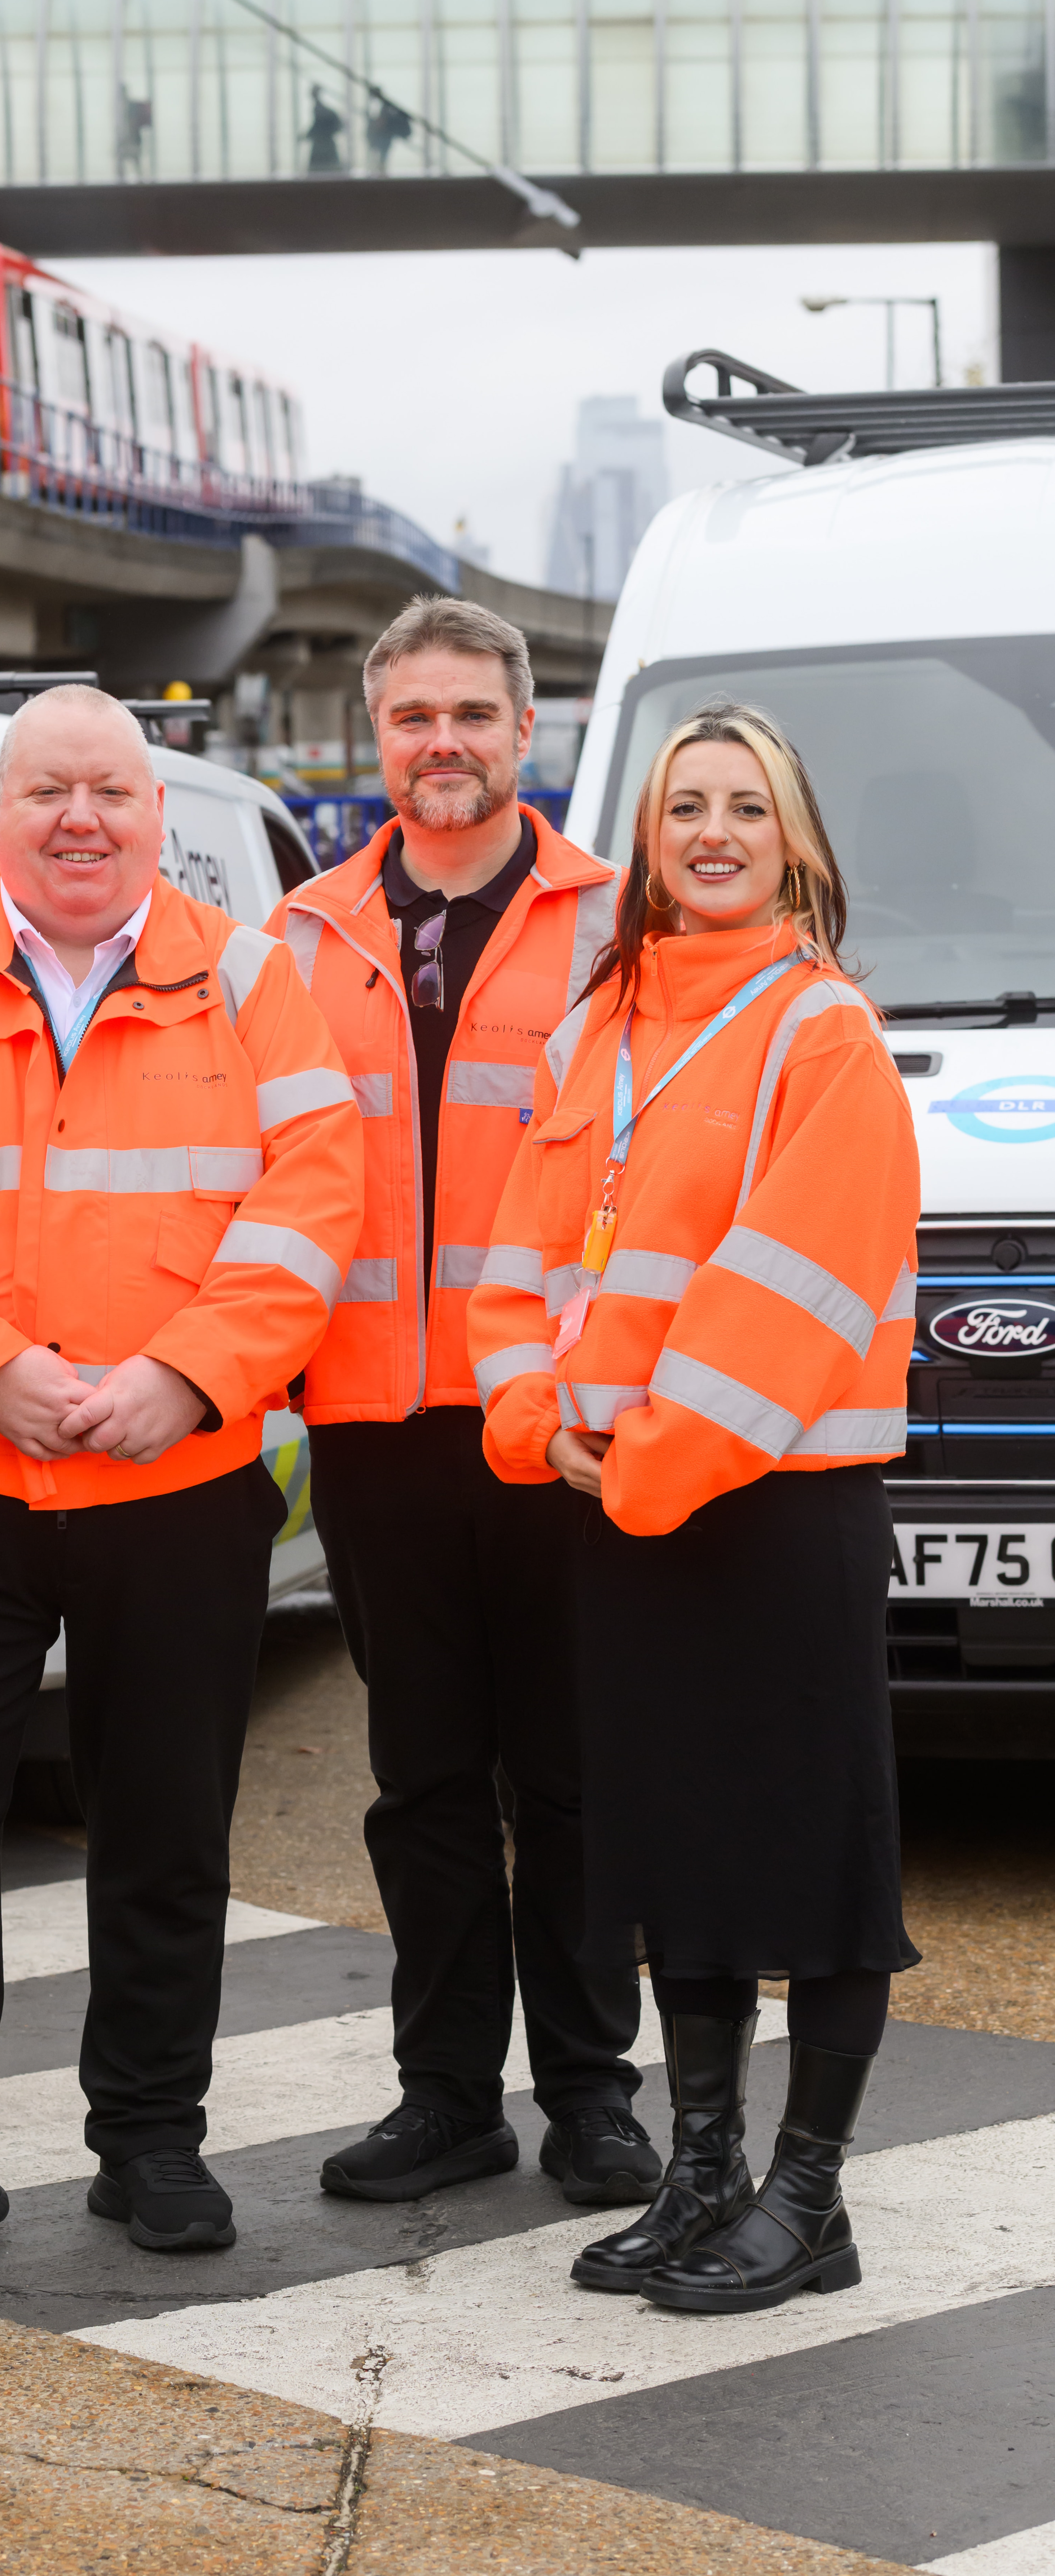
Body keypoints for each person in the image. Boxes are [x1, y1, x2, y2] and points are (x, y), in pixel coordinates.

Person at [0, 683, 364, 2294]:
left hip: (173, 1476)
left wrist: (182, 1376)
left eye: (108, 790)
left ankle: (149, 2142)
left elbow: (314, 1204)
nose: (79, 820)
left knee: (166, 1826)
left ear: (154, 812)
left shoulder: (251, 984)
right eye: (47, 791)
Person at [470, 701, 920, 2312]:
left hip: (767, 1508)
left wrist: (643, 1457)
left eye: (744, 806)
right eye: (683, 811)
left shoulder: (823, 1032)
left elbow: (790, 1295)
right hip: (621, 1500)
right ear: (646, 846)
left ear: (792, 841)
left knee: (811, 1855)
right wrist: (530, 1418)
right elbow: (517, 1259)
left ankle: (807, 2200)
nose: (712, 832)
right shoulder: (598, 1028)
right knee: (682, 1850)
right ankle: (704, 2170)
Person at [269, 595, 655, 2212]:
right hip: (372, 1420)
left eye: (471, 717)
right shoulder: (300, 935)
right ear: (378, 738)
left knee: (568, 1775)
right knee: (420, 1776)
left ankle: (587, 2094)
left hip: (552, 1421)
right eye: (412, 717)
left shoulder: (615, 921)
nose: (442, 745)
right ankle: (445, 2096)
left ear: (522, 733)